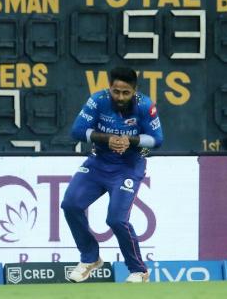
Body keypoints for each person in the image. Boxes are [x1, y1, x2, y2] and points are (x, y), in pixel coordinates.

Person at [61, 66, 164, 283]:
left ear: (134, 91)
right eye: (116, 91)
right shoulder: (97, 100)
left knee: (116, 219)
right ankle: (90, 258)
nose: (120, 97)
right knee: (70, 204)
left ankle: (139, 270)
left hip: (129, 166)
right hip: (99, 162)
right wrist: (108, 139)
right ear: (110, 88)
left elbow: (157, 140)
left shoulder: (145, 106)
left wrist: (131, 141)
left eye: (126, 92)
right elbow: (77, 131)